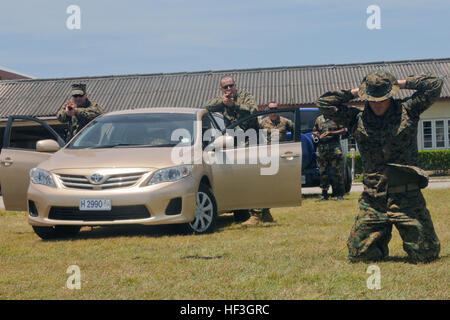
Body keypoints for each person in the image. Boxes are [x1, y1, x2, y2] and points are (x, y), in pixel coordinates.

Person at [316, 70, 443, 263]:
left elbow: (435, 84)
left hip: (408, 198)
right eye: (372, 98)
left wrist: (399, 83)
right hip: (374, 199)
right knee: (359, 256)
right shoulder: (355, 119)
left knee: (427, 256)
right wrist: (356, 92)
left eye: (382, 98)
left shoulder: (409, 109)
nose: (377, 103)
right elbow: (324, 103)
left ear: (391, 95)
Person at [203, 75, 270, 226]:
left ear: (235, 85)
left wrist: (233, 104)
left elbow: (252, 110)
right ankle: (265, 212)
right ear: (221, 89)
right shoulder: (223, 101)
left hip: (253, 142)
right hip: (237, 145)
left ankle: (257, 215)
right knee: (247, 178)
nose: (229, 89)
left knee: (254, 177)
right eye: (225, 87)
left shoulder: (245, 97)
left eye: (231, 86)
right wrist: (224, 101)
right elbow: (207, 106)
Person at [312, 114, 347, 201]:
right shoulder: (319, 119)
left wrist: (331, 133)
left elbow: (344, 130)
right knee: (323, 172)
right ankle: (324, 195)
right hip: (322, 148)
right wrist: (316, 133)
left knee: (337, 171)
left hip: (334, 147)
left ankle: (339, 194)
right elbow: (314, 131)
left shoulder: (336, 118)